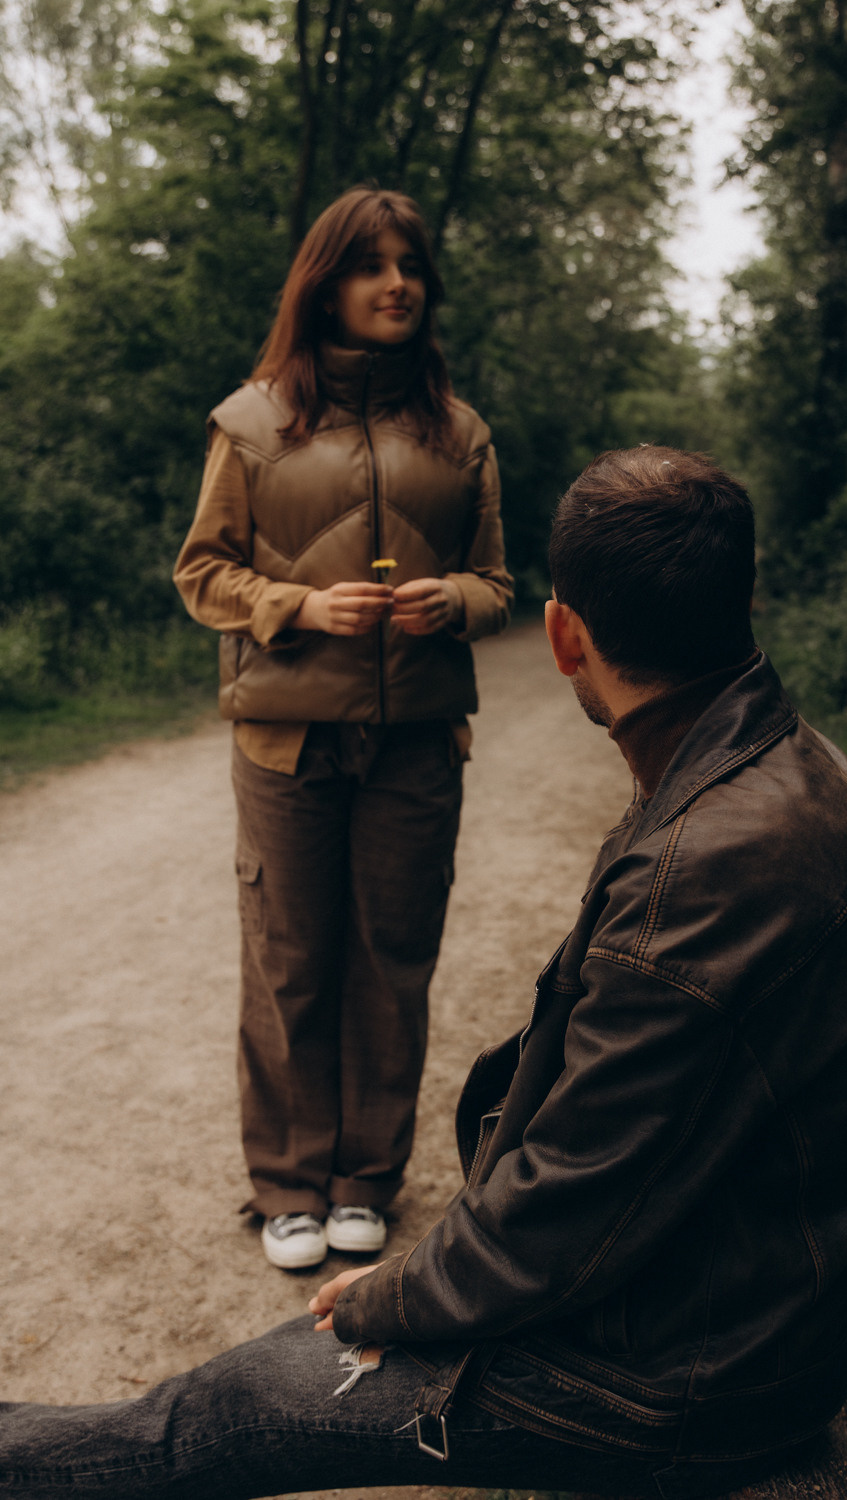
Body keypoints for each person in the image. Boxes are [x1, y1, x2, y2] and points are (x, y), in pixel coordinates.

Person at [0, 447, 847, 1500]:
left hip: (676, 1382)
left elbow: (560, 1218)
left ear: (564, 636)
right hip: (729, 1309)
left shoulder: (701, 870)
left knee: (216, 1414)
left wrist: (387, 1299)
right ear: (744, 598)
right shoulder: (785, 761)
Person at [172, 187, 513, 1268]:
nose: (395, 284)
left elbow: (501, 580)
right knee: (290, 963)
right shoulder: (252, 422)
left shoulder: (458, 433)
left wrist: (453, 600)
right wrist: (296, 606)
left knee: (393, 960)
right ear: (325, 282)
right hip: (286, 743)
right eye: (370, 265)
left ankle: (366, 1179)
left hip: (416, 741)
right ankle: (286, 1188)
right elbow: (202, 574)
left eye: (408, 265)